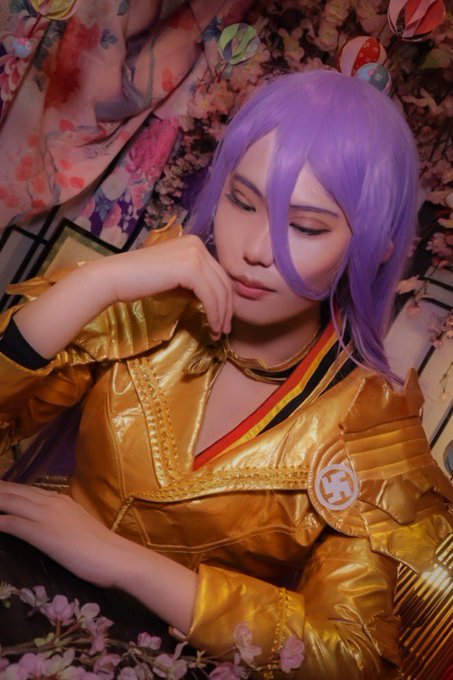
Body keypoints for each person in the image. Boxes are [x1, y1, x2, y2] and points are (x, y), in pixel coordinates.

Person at [0, 70, 451, 679]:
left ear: (369, 251)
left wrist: (123, 563)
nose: (255, 249)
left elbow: (350, 656)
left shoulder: (371, 429)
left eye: (305, 227)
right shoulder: (148, 301)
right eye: (241, 201)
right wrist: (95, 282)